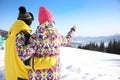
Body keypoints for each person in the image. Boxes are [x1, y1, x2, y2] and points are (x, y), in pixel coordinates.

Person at [28, 6, 77, 80]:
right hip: (53, 76)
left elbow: (27, 53)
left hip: (36, 76)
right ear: (51, 20)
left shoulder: (34, 37)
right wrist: (73, 30)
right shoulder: (58, 36)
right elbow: (67, 40)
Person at [5, 6, 36, 80]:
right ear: (28, 22)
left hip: (10, 75)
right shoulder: (25, 36)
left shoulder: (9, 37)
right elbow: (30, 61)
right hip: (21, 76)